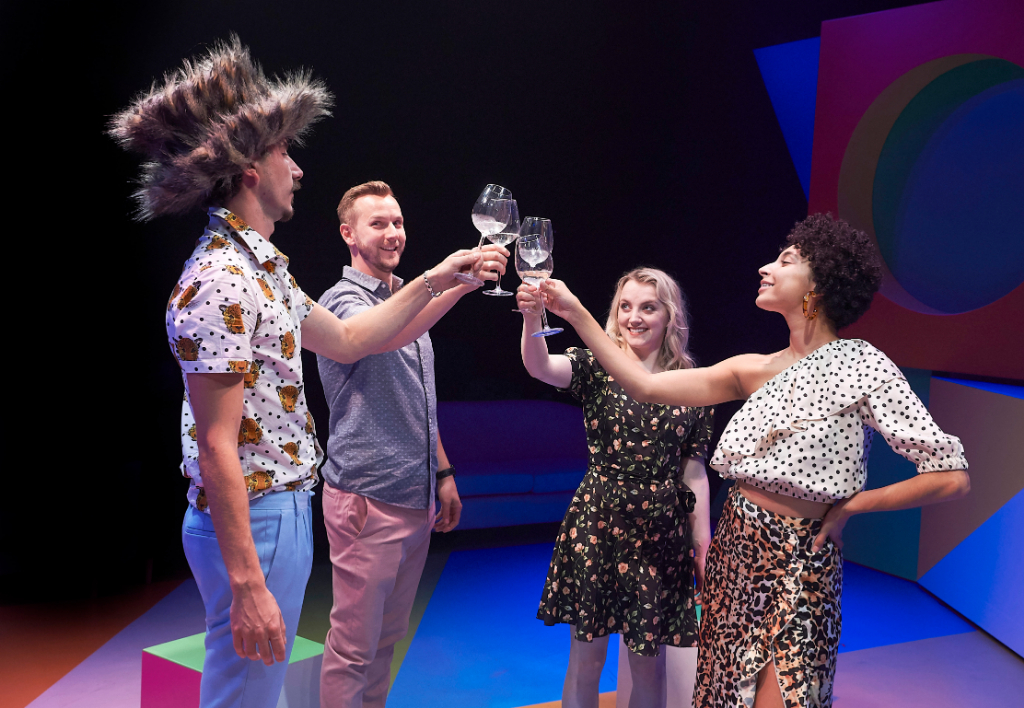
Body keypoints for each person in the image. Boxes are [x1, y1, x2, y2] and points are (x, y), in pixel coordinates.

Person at [108, 38, 500, 708]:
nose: (296, 168)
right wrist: (246, 583)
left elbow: (348, 340)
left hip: (280, 507)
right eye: (285, 152)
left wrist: (440, 278)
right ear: (250, 170)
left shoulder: (263, 269)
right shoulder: (222, 279)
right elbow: (216, 444)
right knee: (244, 691)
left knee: (259, 689)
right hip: (257, 511)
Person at [535, 214, 970, 708]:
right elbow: (644, 386)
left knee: (792, 694)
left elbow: (950, 476)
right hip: (736, 553)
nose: (766, 268)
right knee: (723, 695)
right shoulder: (751, 368)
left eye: (785, 261)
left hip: (804, 560)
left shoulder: (862, 365)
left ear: (819, 286)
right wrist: (575, 313)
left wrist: (854, 506)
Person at [316, 181, 506, 708]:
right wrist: (438, 279)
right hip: (368, 495)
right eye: (378, 223)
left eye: (397, 222)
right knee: (353, 649)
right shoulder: (342, 301)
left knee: (385, 642)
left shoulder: (402, 301)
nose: (393, 233)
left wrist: (442, 473)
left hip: (414, 497)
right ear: (348, 234)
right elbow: (369, 335)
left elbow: (416, 400)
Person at [517, 267, 714, 708]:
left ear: (670, 316)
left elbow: (694, 472)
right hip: (599, 526)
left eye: (648, 307)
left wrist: (701, 544)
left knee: (648, 665)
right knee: (586, 660)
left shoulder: (692, 381)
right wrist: (532, 319)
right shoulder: (596, 365)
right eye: (625, 306)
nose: (633, 317)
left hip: (661, 537)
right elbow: (540, 366)